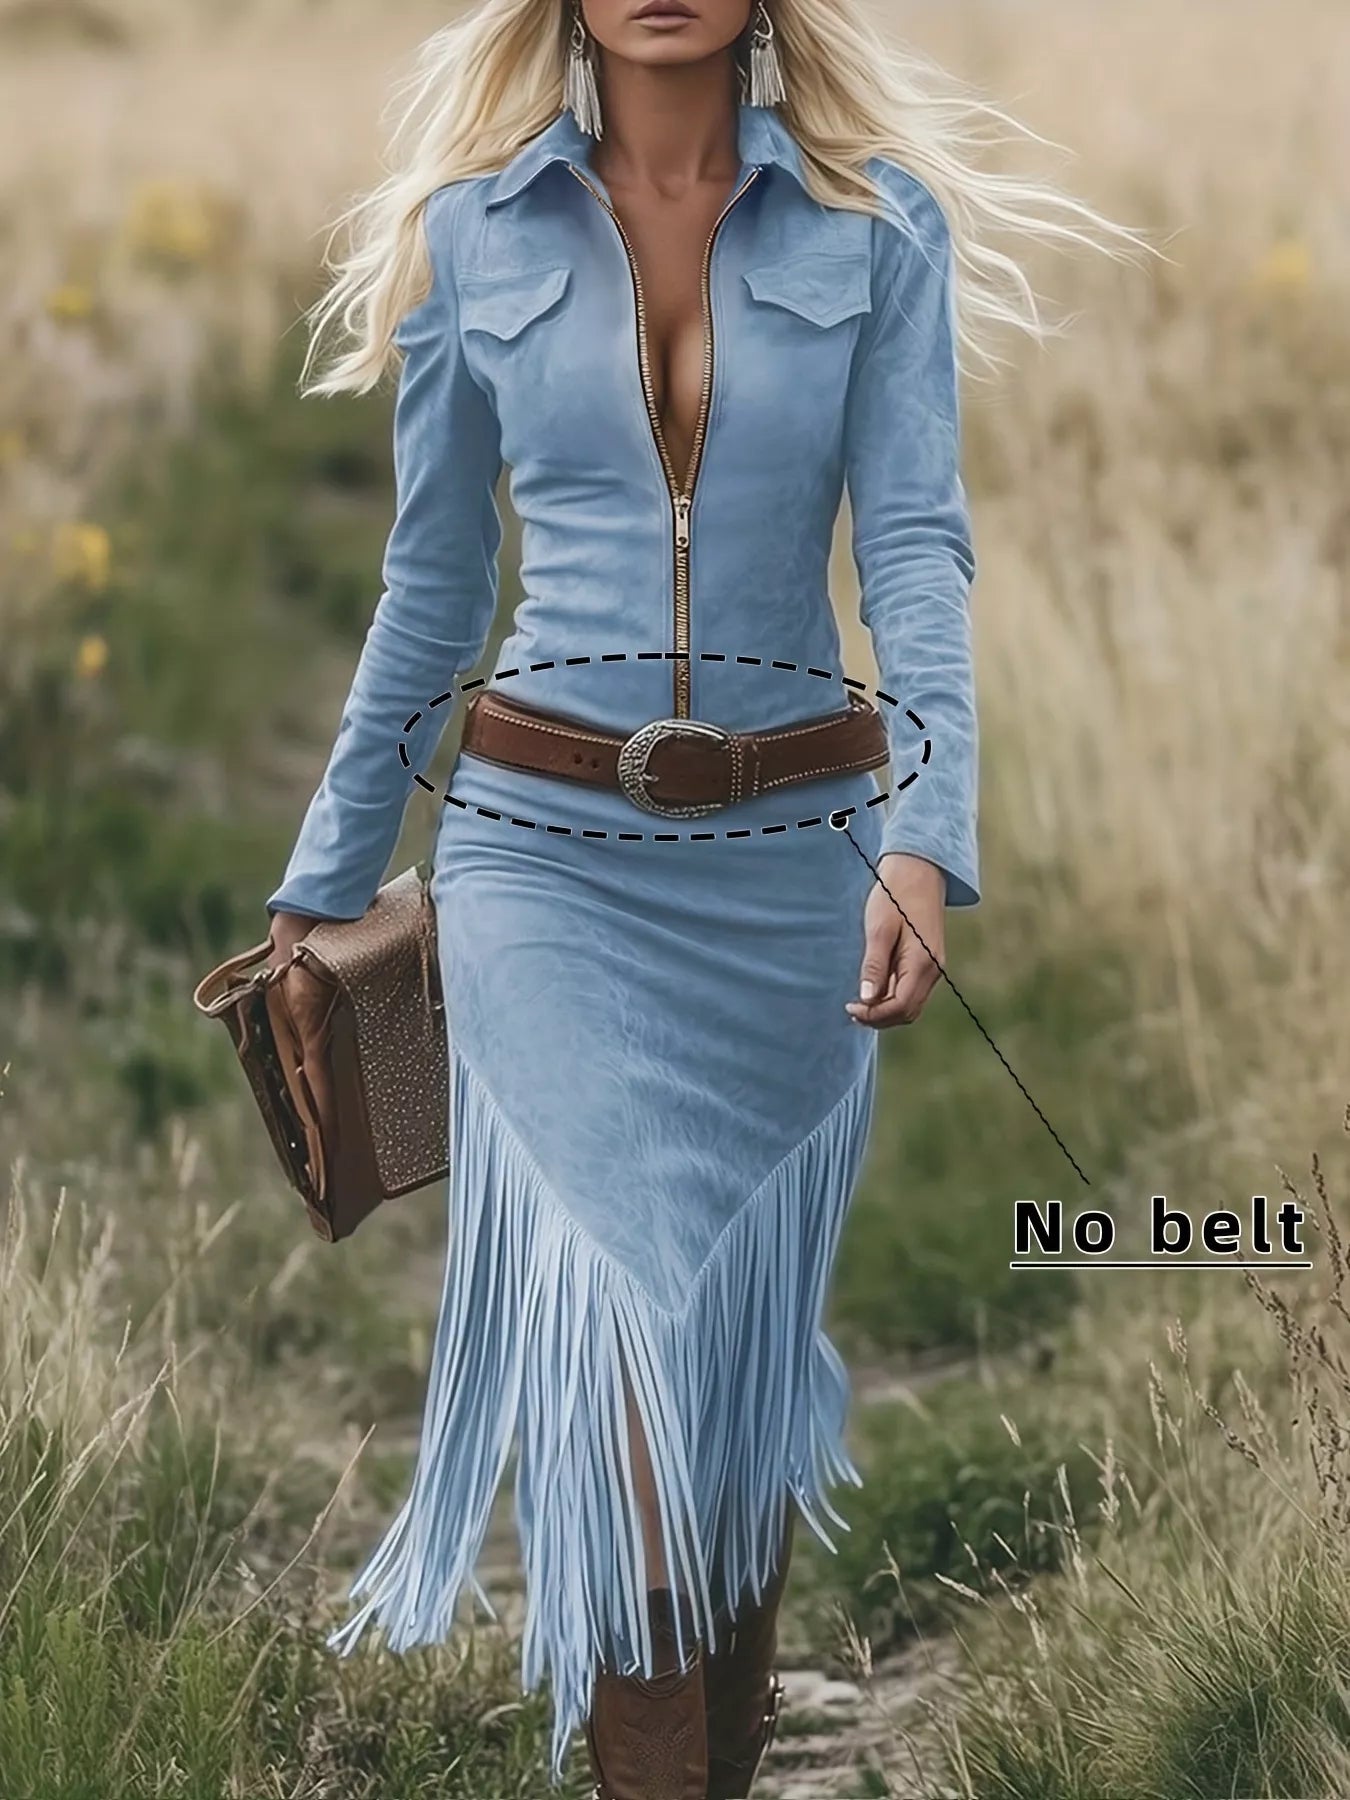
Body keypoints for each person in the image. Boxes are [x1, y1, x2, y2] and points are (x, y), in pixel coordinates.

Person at [264, 2, 1140, 1794]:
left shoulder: (875, 222)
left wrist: (924, 832)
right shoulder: (472, 230)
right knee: (638, 1354)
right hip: (539, 860)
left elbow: (912, 541)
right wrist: (325, 878)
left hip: (791, 868)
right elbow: (431, 585)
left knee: (721, 1377)